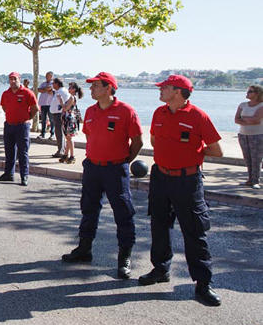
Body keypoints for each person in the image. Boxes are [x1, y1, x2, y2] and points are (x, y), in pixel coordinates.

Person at [138, 75, 224, 306]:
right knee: (159, 225)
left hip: (187, 181)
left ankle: (203, 284)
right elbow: (155, 141)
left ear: (177, 91)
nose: (160, 91)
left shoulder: (198, 116)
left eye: (164, 88)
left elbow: (217, 150)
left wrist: (193, 152)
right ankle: (160, 269)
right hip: (160, 177)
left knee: (194, 231)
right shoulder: (159, 113)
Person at [62, 72, 142, 280]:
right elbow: (90, 135)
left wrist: (123, 161)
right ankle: (84, 249)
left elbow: (137, 142)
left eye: (95, 86)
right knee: (88, 209)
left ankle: (124, 257)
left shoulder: (126, 111)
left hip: (115, 170)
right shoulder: (90, 111)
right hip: (93, 168)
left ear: (108, 88)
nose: (91, 90)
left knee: (123, 213)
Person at [0, 72, 38, 185]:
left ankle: (24, 176)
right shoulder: (6, 93)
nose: (12, 81)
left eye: (15, 79)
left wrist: (27, 117)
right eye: (10, 79)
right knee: (9, 151)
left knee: (23, 152)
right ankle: (8, 174)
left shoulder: (27, 93)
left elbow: (35, 108)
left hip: (22, 126)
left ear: (19, 79)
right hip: (9, 125)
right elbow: (4, 107)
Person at [236, 84, 263, 189]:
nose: (247, 93)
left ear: (257, 93)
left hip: (257, 135)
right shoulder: (242, 105)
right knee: (247, 158)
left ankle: (255, 181)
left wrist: (244, 119)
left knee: (256, 159)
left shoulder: (261, 106)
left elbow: (256, 120)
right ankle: (249, 179)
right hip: (243, 135)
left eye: (250, 91)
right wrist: (249, 119)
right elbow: (236, 119)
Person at [60, 82, 84, 164]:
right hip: (68, 120)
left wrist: (61, 101)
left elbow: (66, 108)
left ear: (74, 89)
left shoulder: (72, 98)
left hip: (69, 120)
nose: (68, 89)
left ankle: (72, 156)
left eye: (70, 87)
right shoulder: (72, 97)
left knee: (69, 138)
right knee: (68, 138)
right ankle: (66, 155)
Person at [49, 78, 69, 158]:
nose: (52, 85)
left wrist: (61, 110)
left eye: (53, 83)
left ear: (57, 84)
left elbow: (65, 103)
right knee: (58, 132)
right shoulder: (59, 91)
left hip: (59, 114)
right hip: (56, 114)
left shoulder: (62, 91)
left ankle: (61, 150)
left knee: (59, 132)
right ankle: (61, 149)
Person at [37, 71, 54, 139]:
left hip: (50, 104)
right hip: (43, 104)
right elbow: (39, 90)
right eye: (46, 76)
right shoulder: (43, 83)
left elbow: (50, 90)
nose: (47, 77)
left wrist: (44, 90)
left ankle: (52, 134)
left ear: (52, 76)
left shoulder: (53, 84)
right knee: (43, 120)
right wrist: (46, 90)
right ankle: (42, 134)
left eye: (48, 76)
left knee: (51, 119)